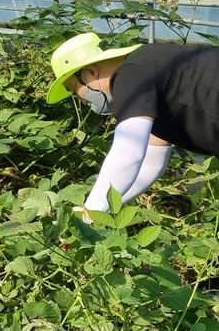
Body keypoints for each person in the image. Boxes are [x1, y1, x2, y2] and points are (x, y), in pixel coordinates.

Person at [46, 32, 219, 219]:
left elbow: (128, 153)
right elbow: (151, 164)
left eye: (75, 91)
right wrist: (102, 210)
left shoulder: (131, 75)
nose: (82, 101)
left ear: (90, 72)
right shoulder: (149, 69)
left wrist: (91, 210)